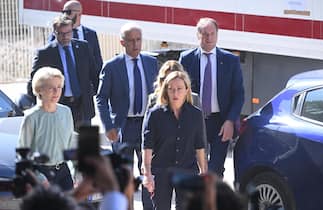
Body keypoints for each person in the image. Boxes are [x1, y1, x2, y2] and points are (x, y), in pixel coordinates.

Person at [96, 22, 158, 210]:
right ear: (122, 43)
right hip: (123, 127)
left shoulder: (151, 62)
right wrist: (109, 126)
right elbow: (101, 98)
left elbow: (158, 93)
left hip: (147, 125)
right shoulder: (112, 66)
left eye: (138, 40)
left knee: (148, 172)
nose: (135, 44)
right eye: (131, 41)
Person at [179, 17, 244, 176]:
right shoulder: (186, 59)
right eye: (204, 34)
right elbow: (179, 91)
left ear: (217, 35)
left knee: (215, 169)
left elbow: (238, 94)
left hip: (220, 122)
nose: (209, 38)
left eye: (212, 34)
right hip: (195, 120)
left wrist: (230, 120)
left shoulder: (230, 60)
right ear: (198, 35)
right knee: (193, 167)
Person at [142, 71, 208, 210]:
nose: (175, 93)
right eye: (171, 89)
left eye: (179, 89)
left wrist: (204, 173)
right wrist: (147, 174)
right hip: (161, 171)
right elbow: (147, 145)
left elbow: (200, 145)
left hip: (187, 170)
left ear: (187, 90)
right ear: (166, 90)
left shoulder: (195, 115)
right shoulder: (155, 114)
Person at [28, 15, 99, 130]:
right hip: (58, 105)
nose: (65, 37)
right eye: (61, 33)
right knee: (62, 145)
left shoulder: (83, 47)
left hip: (82, 106)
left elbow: (94, 74)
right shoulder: (45, 53)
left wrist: (94, 94)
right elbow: (33, 81)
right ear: (55, 33)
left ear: (72, 30)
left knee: (86, 145)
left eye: (68, 32)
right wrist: (39, 105)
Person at [18, 67, 74, 191]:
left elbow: (71, 142)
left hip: (64, 171)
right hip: (42, 173)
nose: (56, 91)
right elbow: (22, 154)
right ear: (39, 90)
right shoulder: (31, 117)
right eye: (51, 88)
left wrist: (77, 171)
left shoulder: (66, 112)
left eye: (59, 87)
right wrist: (39, 177)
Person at [48, 0, 103, 73]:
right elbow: (49, 52)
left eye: (68, 12)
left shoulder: (91, 34)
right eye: (63, 12)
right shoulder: (58, 33)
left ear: (79, 13)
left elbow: (97, 61)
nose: (65, 15)